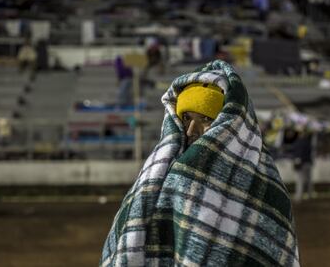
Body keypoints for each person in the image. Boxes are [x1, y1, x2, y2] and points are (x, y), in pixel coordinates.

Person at [100, 60, 300, 266]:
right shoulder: (157, 178)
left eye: (205, 119)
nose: (191, 130)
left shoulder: (267, 191)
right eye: (186, 118)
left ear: (229, 123)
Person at [292, 128, 315, 202]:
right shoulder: (308, 142)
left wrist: (296, 161)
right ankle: (309, 195)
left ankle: (299, 197)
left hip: (302, 163)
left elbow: (296, 153)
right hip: (307, 163)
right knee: (308, 180)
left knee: (300, 180)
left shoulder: (298, 142)